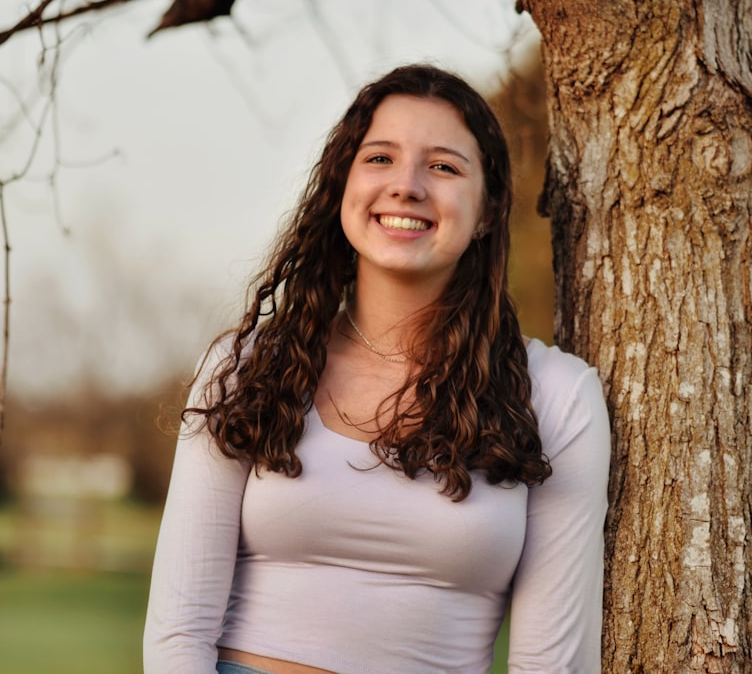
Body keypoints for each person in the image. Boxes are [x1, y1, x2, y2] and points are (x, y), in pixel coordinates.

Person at [143, 64, 610, 674]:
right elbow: (179, 631)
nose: (407, 186)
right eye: (380, 158)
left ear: (490, 210)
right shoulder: (245, 367)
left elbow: (553, 665)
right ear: (344, 185)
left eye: (443, 166)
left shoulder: (555, 395)